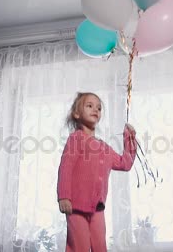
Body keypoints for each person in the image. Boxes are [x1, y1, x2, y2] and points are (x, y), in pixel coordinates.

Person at [57, 92, 137, 252]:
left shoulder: (104, 148)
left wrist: (130, 138)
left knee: (100, 246)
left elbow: (125, 163)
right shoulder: (76, 138)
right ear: (77, 114)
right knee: (80, 246)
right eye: (90, 106)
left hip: (97, 209)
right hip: (76, 208)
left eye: (99, 107)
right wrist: (64, 196)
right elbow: (66, 167)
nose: (96, 109)